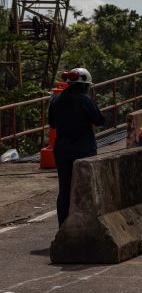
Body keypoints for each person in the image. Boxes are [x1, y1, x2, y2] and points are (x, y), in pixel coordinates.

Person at [47, 67, 105, 226]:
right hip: (83, 150)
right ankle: (85, 226)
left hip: (62, 150)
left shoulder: (56, 99)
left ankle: (63, 227)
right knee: (86, 189)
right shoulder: (84, 99)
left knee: (64, 190)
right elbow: (100, 120)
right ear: (85, 85)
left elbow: (52, 123)